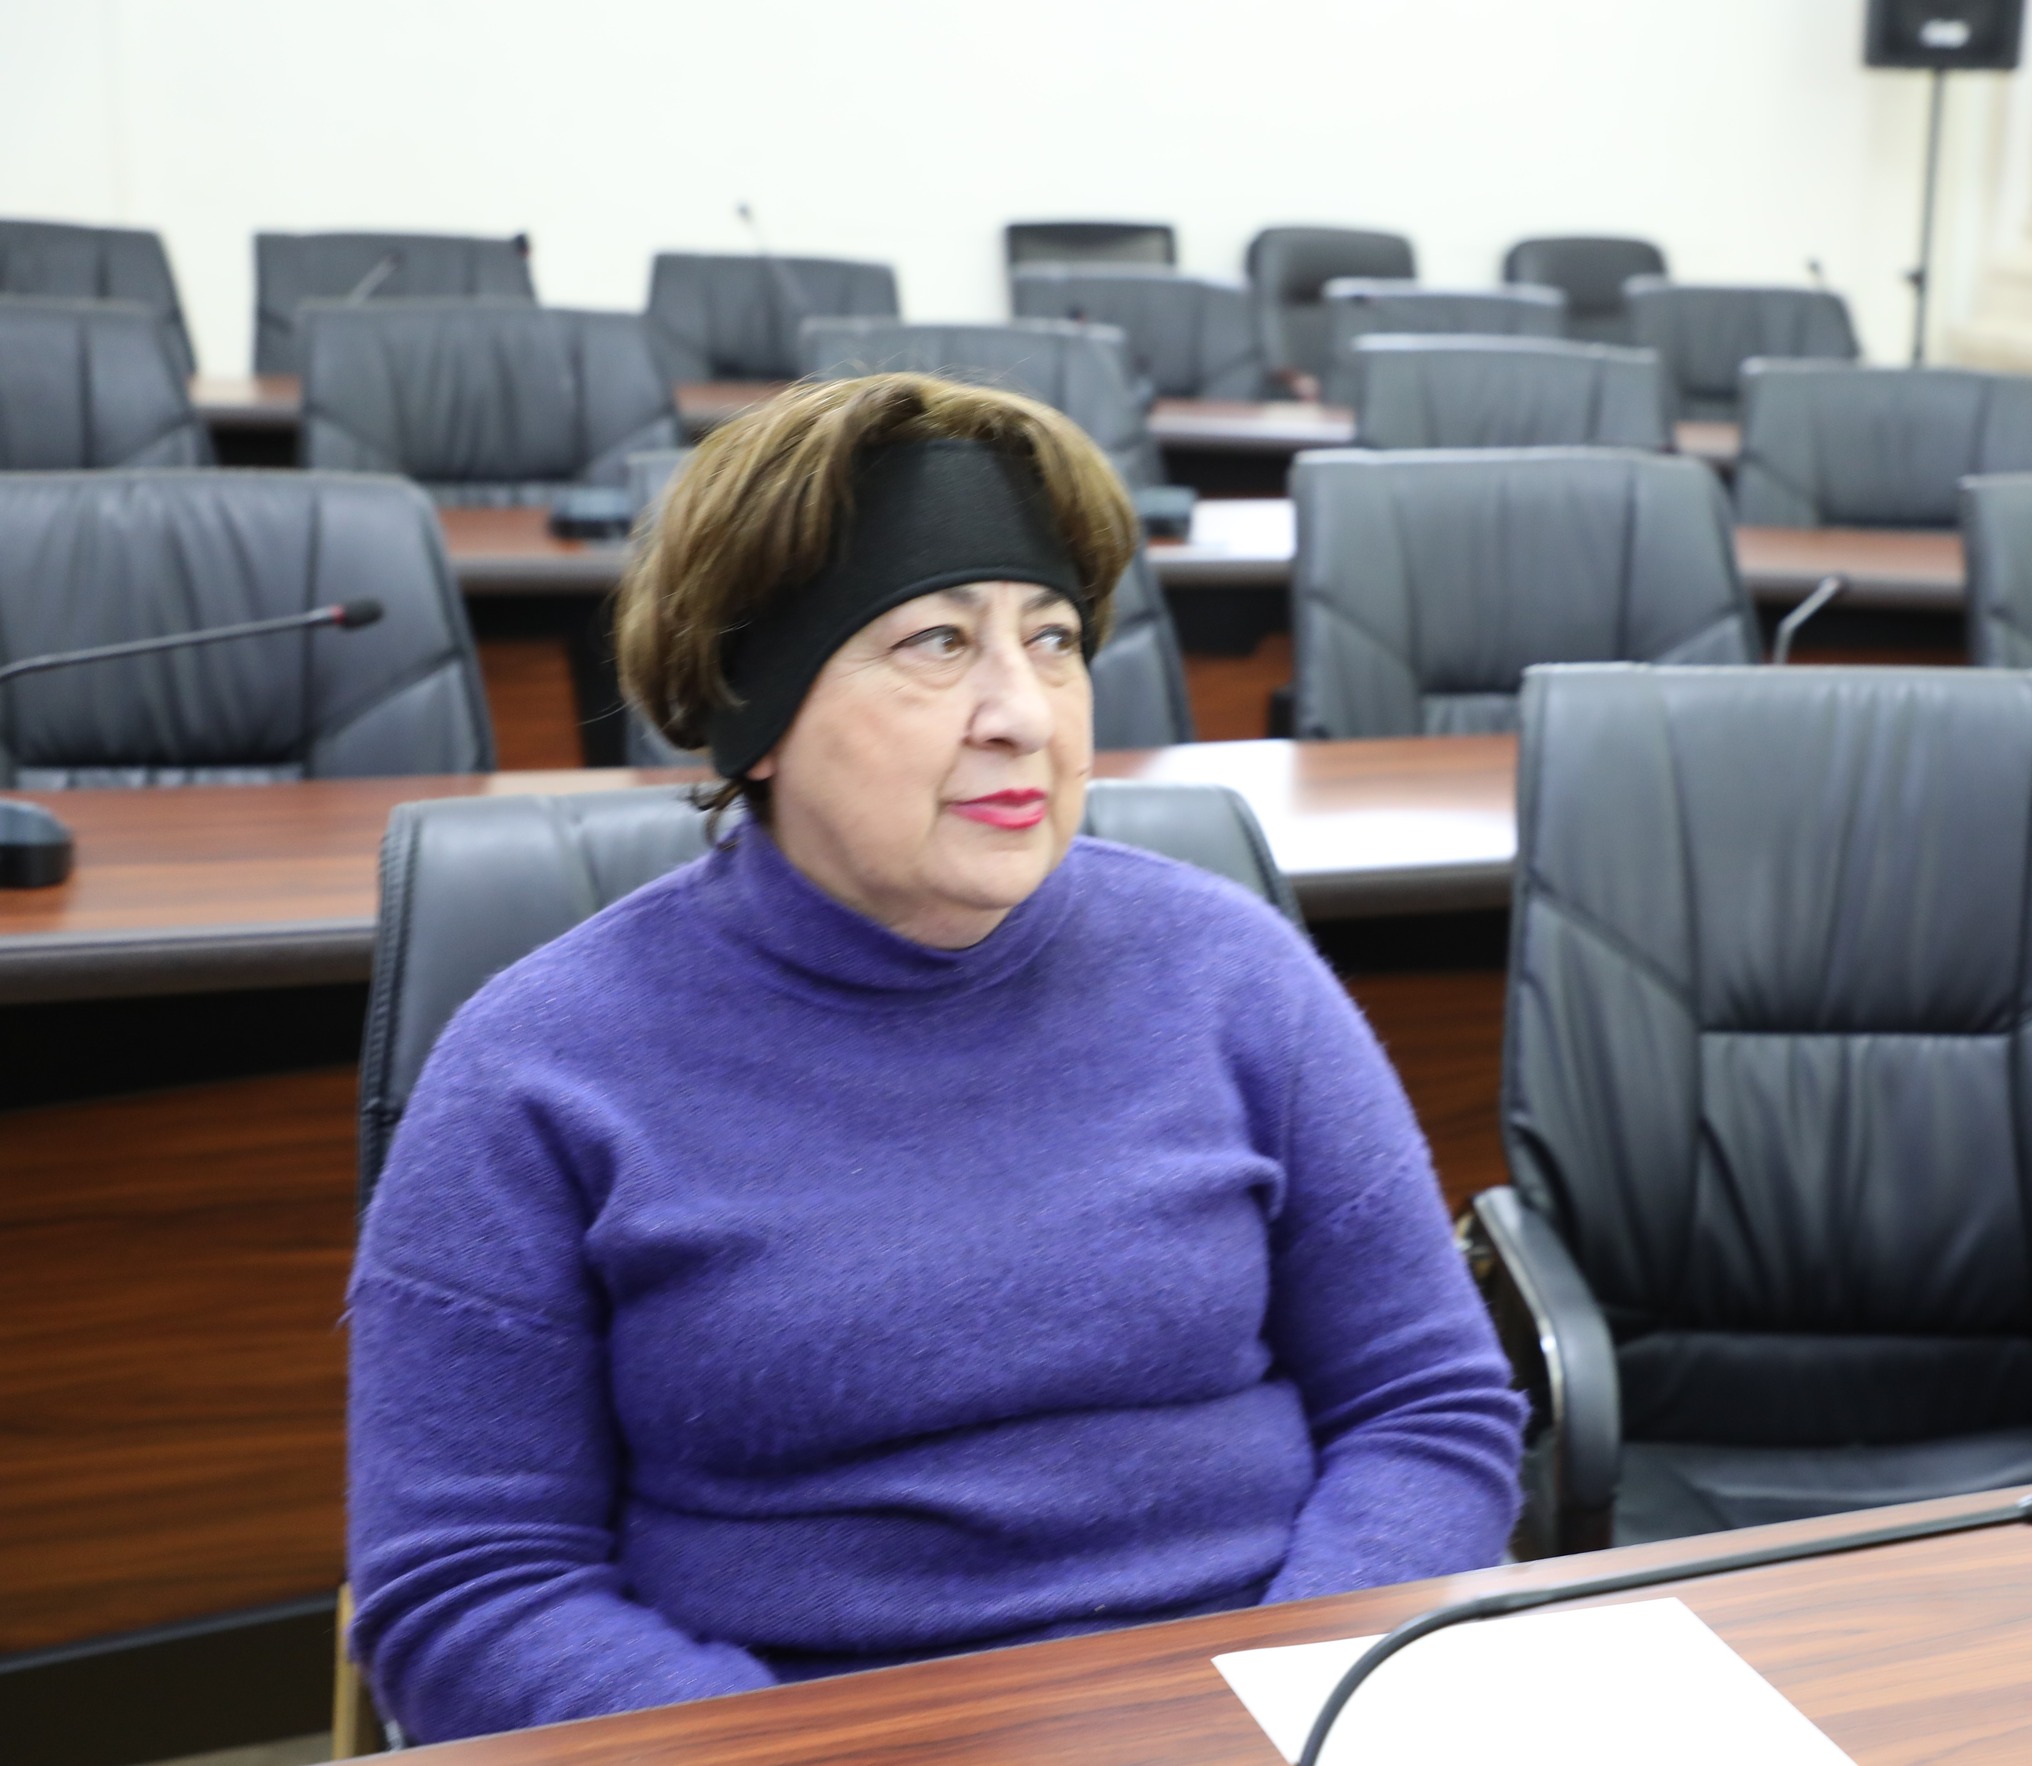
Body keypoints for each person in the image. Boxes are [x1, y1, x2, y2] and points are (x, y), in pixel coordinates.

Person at [346, 372, 1525, 1743]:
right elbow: (467, 1589)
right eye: (936, 642)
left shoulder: (1234, 970)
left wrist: (1286, 1705)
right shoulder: (536, 1069)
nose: (1026, 712)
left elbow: (1427, 1406)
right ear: (757, 711)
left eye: (1054, 639)